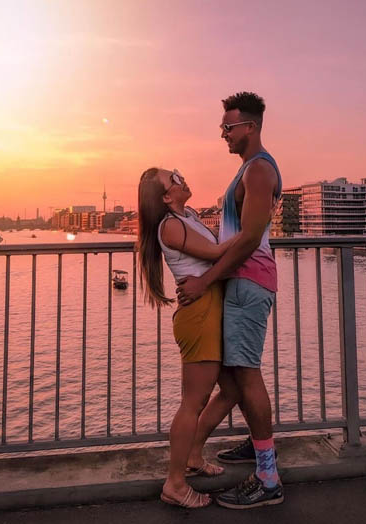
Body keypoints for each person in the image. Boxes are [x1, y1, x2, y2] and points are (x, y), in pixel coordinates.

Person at [176, 91, 284, 509]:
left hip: (247, 281)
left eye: (228, 127)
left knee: (246, 376)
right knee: (235, 378)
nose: (223, 134)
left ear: (250, 127)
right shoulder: (248, 171)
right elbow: (233, 234)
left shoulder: (258, 171)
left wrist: (205, 281)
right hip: (242, 282)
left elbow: (249, 241)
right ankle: (258, 448)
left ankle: (268, 477)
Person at [137, 167, 240, 509]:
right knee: (192, 402)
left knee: (233, 389)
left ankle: (193, 455)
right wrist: (255, 230)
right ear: (167, 196)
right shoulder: (170, 225)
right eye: (174, 178)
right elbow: (217, 254)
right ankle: (175, 483)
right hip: (200, 314)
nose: (182, 178)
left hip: (210, 306)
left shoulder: (189, 216)